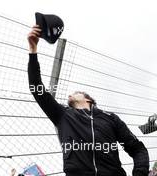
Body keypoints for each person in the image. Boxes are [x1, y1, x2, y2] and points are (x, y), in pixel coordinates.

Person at [27, 25, 149, 176]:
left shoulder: (110, 118)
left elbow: (137, 149)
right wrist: (33, 50)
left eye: (76, 92)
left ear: (88, 100)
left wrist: (140, 173)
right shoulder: (63, 115)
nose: (70, 94)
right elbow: (36, 88)